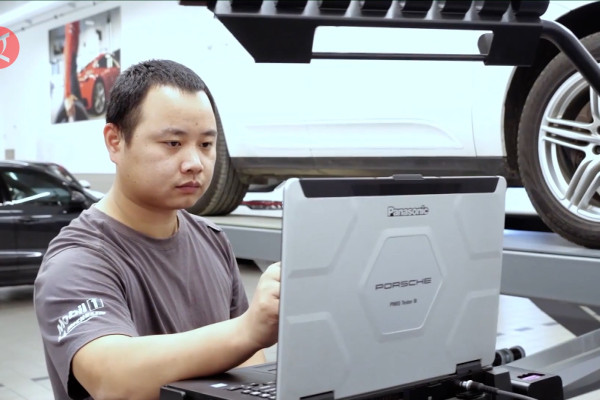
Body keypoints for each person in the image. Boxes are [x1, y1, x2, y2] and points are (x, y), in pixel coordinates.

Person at [34, 59, 281, 400]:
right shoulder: (77, 260)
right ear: (115, 141)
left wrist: (250, 336)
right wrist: (248, 329)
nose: (195, 163)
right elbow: (112, 379)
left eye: (206, 145)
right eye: (173, 143)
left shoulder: (212, 240)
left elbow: (247, 365)